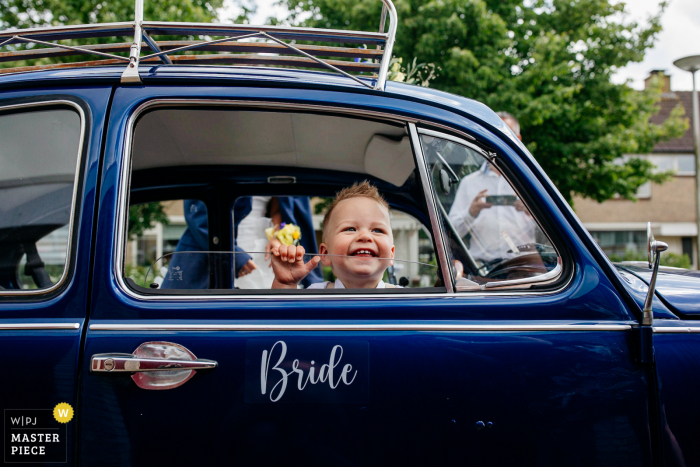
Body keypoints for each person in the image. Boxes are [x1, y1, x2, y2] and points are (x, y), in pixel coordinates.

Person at [161, 197, 322, 289]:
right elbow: (198, 214)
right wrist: (233, 254)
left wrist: (277, 236)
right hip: (213, 244)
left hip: (262, 249)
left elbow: (277, 209)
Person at [270, 181, 398, 289]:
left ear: (391, 254)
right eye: (350, 229)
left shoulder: (408, 297)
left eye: (377, 230)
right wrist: (285, 284)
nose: (365, 236)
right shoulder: (314, 294)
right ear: (325, 254)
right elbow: (282, 316)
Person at [447, 112, 536, 265]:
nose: (497, 140)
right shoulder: (469, 182)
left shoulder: (531, 182)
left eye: (504, 134)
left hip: (524, 268)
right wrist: (471, 212)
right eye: (492, 134)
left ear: (518, 139)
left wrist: (532, 212)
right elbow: (450, 233)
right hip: (483, 270)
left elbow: (553, 236)